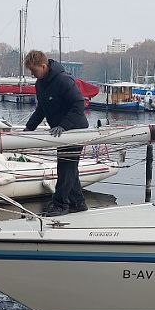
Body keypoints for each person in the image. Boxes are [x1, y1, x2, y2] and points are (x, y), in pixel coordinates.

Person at [23, 50, 89, 217]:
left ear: (43, 66)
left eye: (34, 70)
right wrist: (28, 129)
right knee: (69, 168)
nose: (32, 74)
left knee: (65, 167)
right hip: (62, 133)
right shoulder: (40, 84)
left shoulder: (63, 80)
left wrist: (63, 126)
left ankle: (60, 205)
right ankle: (78, 203)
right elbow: (41, 109)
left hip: (75, 130)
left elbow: (79, 104)